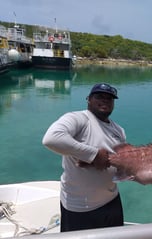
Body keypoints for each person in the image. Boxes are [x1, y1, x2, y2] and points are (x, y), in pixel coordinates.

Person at [42, 83, 126, 232]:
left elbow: (123, 165)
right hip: (80, 207)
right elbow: (51, 139)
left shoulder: (119, 130)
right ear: (88, 99)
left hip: (112, 201)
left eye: (109, 98)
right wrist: (93, 155)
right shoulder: (78, 119)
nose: (105, 100)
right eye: (99, 96)